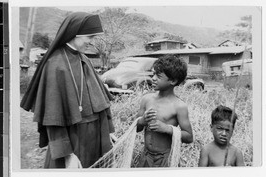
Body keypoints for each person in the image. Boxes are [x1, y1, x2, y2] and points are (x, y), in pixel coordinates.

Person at [20, 12, 115, 168]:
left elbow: (102, 102)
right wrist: (67, 155)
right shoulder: (54, 64)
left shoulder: (85, 59)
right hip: (72, 140)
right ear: (75, 34)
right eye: (89, 37)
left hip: (96, 138)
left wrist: (109, 131)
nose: (92, 42)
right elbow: (53, 116)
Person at [136, 55, 193, 167]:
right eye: (153, 74)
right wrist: (142, 121)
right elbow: (136, 128)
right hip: (146, 157)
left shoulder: (179, 106)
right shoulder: (146, 99)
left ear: (173, 80)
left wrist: (167, 129)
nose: (153, 78)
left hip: (166, 159)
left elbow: (189, 137)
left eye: (159, 76)